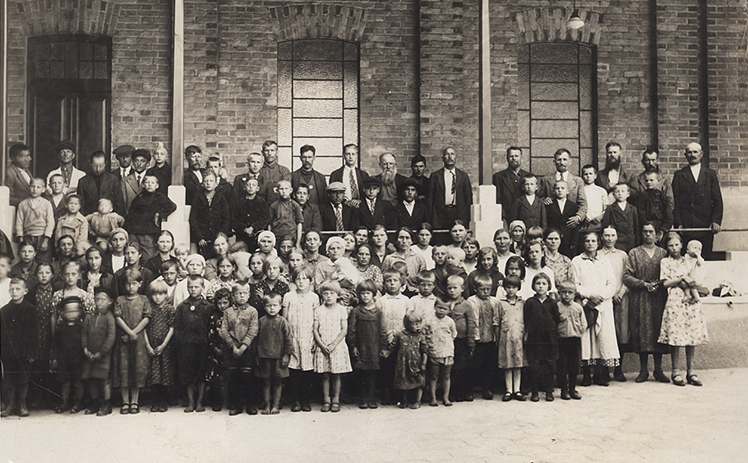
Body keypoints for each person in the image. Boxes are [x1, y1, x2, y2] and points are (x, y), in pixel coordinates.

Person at [659, 235, 710, 388]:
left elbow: (698, 277)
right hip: (676, 299)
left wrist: (692, 281)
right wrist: (682, 279)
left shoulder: (689, 259)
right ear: (667, 247)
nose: (674, 248)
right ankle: (675, 371)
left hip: (691, 300)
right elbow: (665, 283)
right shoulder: (665, 261)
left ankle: (691, 371)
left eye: (677, 244)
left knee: (691, 334)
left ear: (682, 245)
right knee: (676, 335)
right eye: (671, 245)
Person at [622, 222, 670, 383]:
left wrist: (658, 284)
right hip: (640, 297)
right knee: (642, 331)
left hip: (659, 297)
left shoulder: (663, 253)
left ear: (657, 234)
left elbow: (670, 274)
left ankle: (658, 370)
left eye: (651, 231)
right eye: (645, 231)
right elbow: (626, 276)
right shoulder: (634, 253)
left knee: (657, 330)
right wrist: (643, 284)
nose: (648, 234)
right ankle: (643, 370)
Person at [572, 232, 619, 387]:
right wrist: (589, 296)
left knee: (602, 339)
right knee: (587, 339)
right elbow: (575, 283)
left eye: (593, 241)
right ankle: (586, 375)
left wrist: (600, 297)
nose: (590, 243)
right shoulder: (577, 261)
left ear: (598, 243)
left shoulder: (605, 260)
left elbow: (612, 283)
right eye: (587, 241)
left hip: (603, 304)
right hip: (586, 303)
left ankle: (600, 374)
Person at [672, 142, 723, 259]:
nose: (692, 155)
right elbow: (675, 202)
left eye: (695, 152)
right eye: (689, 152)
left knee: (705, 258)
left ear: (701, 154)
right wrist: (678, 223)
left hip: (705, 225)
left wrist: (716, 221)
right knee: (687, 258)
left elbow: (717, 201)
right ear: (685, 155)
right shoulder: (679, 175)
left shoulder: (710, 174)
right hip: (686, 226)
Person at [113, 268, 151, 415]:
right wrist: (129, 333)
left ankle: (135, 401)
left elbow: (146, 318)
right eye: (128, 284)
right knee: (123, 369)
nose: (131, 287)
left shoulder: (144, 299)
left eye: (134, 283)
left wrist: (134, 333)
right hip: (123, 340)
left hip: (138, 340)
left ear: (140, 284)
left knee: (137, 369)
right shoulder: (120, 300)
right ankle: (125, 401)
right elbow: (117, 318)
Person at [282, 267, 319, 412]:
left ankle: (305, 399)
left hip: (308, 337)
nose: (301, 281)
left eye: (305, 279)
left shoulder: (314, 297)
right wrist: (287, 339)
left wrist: (315, 339)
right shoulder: (289, 296)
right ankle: (295, 400)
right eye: (298, 278)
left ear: (310, 281)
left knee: (307, 371)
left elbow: (316, 320)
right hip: (293, 337)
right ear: (294, 281)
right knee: (294, 370)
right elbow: (284, 319)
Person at [0, 278, 38, 417]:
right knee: (9, 379)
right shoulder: (3, 311)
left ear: (25, 291)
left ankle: (22, 405)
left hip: (24, 352)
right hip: (8, 352)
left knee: (23, 379)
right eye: (12, 289)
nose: (14, 292)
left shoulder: (31, 309)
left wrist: (32, 352)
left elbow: (35, 333)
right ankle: (10, 405)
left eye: (18, 289)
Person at [313, 280, 353, 413]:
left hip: (337, 346)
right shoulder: (318, 310)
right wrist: (321, 345)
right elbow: (315, 330)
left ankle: (336, 400)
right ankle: (326, 400)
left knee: (336, 375)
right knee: (325, 375)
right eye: (326, 293)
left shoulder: (341, 310)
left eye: (332, 293)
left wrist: (334, 344)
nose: (329, 296)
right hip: (323, 346)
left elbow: (344, 329)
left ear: (337, 295)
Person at [219, 282, 258, 415]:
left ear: (249, 295)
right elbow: (223, 330)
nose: (241, 296)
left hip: (247, 350)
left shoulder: (252, 311)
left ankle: (250, 404)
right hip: (232, 350)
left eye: (244, 293)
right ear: (233, 296)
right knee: (234, 377)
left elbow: (253, 330)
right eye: (238, 293)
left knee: (247, 377)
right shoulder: (228, 312)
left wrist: (243, 347)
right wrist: (233, 346)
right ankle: (236, 405)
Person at [175, 274, 212, 413]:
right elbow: (177, 327)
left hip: (203, 345)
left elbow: (210, 326)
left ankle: (200, 402)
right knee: (188, 373)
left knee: (201, 373)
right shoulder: (182, 306)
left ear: (203, 287)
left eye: (196, 287)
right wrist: (181, 342)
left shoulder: (208, 306)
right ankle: (190, 401)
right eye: (190, 287)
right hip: (187, 345)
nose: (193, 289)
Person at [347, 279, 385, 409]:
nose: (365, 296)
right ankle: (363, 399)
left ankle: (371, 398)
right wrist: (353, 346)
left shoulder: (378, 312)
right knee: (362, 374)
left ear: (373, 294)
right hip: (361, 346)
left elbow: (382, 330)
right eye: (362, 293)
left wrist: (383, 347)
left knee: (372, 374)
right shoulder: (356, 311)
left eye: (368, 293)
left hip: (374, 347)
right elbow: (351, 330)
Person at [523, 273, 560, 402]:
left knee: (549, 364)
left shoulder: (552, 303)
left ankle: (549, 391)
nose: (541, 286)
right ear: (533, 286)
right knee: (534, 365)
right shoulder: (530, 302)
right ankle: (534, 392)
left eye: (544, 283)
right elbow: (526, 320)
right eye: (538, 283)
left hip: (549, 339)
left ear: (549, 286)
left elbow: (556, 319)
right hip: (534, 339)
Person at [600, 227, 630, 382]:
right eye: (606, 235)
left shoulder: (622, 255)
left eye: (612, 235)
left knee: (621, 333)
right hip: (604, 299)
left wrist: (621, 293)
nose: (609, 238)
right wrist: (607, 295)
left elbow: (628, 276)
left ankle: (618, 369)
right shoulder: (597, 254)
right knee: (604, 332)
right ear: (602, 237)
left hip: (621, 298)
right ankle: (604, 369)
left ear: (617, 237)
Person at [255, 293, 293, 415]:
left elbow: (289, 340)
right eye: (269, 306)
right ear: (264, 307)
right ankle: (267, 405)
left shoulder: (283, 322)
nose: (272, 308)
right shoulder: (261, 321)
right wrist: (256, 355)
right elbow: (255, 340)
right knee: (266, 382)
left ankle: (276, 405)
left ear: (280, 306)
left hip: (279, 358)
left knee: (278, 382)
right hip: (264, 357)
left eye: (275, 305)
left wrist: (286, 355)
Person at [124, 174, 177, 261]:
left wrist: (159, 214)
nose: (149, 184)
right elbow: (131, 214)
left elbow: (172, 206)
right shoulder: (139, 197)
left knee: (148, 255)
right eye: (147, 182)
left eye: (152, 183)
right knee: (134, 253)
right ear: (143, 185)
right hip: (134, 230)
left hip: (148, 232)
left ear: (157, 185)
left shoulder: (159, 197)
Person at [81, 286, 117, 416]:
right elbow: (84, 333)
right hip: (89, 355)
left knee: (104, 380)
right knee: (92, 378)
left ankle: (106, 404)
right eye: (97, 299)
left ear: (110, 301)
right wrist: (85, 349)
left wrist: (101, 353)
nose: (99, 302)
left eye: (103, 299)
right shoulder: (89, 316)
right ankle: (95, 402)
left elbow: (111, 337)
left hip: (103, 356)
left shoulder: (109, 317)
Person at [144, 279, 176, 413]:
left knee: (165, 373)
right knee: (153, 374)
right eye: (154, 294)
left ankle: (163, 400)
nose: (157, 297)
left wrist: (163, 345)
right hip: (151, 345)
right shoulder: (148, 309)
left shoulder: (169, 309)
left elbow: (172, 328)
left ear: (165, 294)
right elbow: (144, 328)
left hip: (165, 347)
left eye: (161, 294)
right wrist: (147, 346)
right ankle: (155, 400)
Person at [467, 273, 500, 400]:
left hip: (490, 338)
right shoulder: (472, 301)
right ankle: (470, 388)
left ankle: (487, 388)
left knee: (490, 364)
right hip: (478, 339)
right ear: (475, 289)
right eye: (482, 289)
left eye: (488, 289)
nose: (485, 292)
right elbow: (472, 321)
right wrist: (473, 338)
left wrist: (496, 338)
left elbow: (496, 319)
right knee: (475, 364)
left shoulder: (494, 301)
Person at [443, 274, 476, 402]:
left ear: (462, 288)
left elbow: (471, 323)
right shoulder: (444, 303)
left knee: (463, 367)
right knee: (450, 367)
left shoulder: (466, 305)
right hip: (448, 341)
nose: (452, 290)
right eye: (449, 288)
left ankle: (465, 391)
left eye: (455, 288)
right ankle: (452, 392)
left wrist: (471, 340)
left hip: (462, 340)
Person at [52, 296, 86, 413]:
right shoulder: (60, 328)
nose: (72, 314)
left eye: (74, 311)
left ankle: (78, 401)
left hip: (78, 359)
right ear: (62, 313)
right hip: (64, 359)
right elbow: (56, 344)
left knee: (78, 381)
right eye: (68, 311)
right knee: (65, 381)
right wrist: (54, 358)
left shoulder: (81, 327)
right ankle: (65, 401)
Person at [428, 147, 473, 232]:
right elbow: (430, 199)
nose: (450, 156)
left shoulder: (463, 176)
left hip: (458, 213)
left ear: (456, 158)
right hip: (440, 214)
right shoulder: (435, 176)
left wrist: (467, 219)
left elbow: (468, 199)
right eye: (447, 154)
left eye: (452, 154)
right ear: (443, 158)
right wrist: (430, 219)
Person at [389, 310, 428, 409]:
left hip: (416, 364)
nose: (418, 326)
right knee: (404, 382)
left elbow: (425, 351)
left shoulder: (420, 336)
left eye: (419, 323)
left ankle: (417, 401)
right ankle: (404, 401)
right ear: (407, 325)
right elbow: (393, 347)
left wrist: (424, 363)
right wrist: (387, 352)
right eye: (415, 324)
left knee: (419, 382)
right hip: (403, 364)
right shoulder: (400, 335)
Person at [539, 148, 588, 228]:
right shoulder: (546, 180)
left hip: (571, 223)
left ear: (570, 162)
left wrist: (578, 217)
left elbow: (583, 203)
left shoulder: (578, 181)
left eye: (565, 159)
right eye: (559, 160)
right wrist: (544, 200)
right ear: (554, 162)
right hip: (552, 224)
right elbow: (539, 199)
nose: (562, 162)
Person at [555, 280, 587, 400]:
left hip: (574, 340)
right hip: (561, 340)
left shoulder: (578, 307)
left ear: (574, 294)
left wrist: (578, 333)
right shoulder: (557, 307)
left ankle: (572, 389)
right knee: (562, 365)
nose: (567, 295)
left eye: (570, 292)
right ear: (559, 293)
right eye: (564, 292)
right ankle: (564, 390)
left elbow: (584, 323)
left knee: (574, 365)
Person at [497, 276, 526, 402]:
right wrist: (498, 338)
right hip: (506, 337)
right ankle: (509, 390)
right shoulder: (500, 303)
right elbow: (496, 321)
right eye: (508, 287)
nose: (511, 290)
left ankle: (517, 390)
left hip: (519, 337)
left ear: (518, 288)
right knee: (508, 364)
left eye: (514, 287)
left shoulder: (522, 303)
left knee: (518, 364)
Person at [190, 171, 231, 259]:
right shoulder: (198, 199)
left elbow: (226, 219)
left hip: (218, 237)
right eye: (206, 181)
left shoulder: (221, 199)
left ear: (216, 184)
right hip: (203, 239)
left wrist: (221, 235)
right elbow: (193, 220)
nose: (208, 183)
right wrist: (199, 237)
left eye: (211, 181)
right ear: (202, 184)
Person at [424, 297, 457, 406]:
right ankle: (433, 398)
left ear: (449, 310)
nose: (442, 310)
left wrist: (447, 344)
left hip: (447, 352)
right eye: (439, 307)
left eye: (445, 309)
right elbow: (424, 334)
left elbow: (453, 334)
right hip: (434, 351)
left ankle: (446, 398)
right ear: (434, 307)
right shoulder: (429, 320)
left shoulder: (450, 321)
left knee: (446, 376)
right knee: (434, 376)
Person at [15, 178, 54, 261]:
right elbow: (19, 222)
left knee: (43, 261)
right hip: (28, 236)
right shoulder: (23, 204)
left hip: (42, 237)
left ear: (43, 189)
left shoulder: (46, 204)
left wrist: (46, 240)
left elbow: (50, 222)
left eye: (38, 187)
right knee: (27, 259)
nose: (35, 189)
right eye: (32, 186)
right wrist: (21, 239)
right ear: (29, 187)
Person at [382, 228, 427, 297]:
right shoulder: (389, 259)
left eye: (407, 238)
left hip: (414, 295)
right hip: (394, 295)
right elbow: (384, 279)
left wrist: (417, 289)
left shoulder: (419, 258)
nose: (404, 241)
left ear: (411, 241)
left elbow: (424, 280)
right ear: (396, 240)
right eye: (401, 238)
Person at [78, 150, 122, 216]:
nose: (98, 169)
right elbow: (81, 206)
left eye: (101, 166)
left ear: (105, 164)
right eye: (95, 165)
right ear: (90, 163)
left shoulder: (113, 180)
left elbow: (119, 203)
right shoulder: (83, 181)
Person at [493, 147, 529, 226]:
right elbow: (497, 200)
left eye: (516, 156)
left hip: (525, 216)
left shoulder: (528, 176)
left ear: (521, 158)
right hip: (506, 216)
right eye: (511, 156)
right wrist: (502, 217)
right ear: (507, 158)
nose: (514, 158)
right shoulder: (498, 177)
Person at [232, 176, 270, 251]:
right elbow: (234, 219)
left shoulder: (262, 203)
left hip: (257, 235)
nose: (251, 187)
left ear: (258, 188)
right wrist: (244, 229)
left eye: (253, 185)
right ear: (244, 187)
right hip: (242, 236)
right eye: (248, 185)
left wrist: (253, 228)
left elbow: (264, 219)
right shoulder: (238, 203)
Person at [601, 183, 639, 253]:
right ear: (613, 194)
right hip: (617, 242)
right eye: (617, 191)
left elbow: (636, 228)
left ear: (628, 194)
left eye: (623, 191)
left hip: (630, 242)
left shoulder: (633, 209)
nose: (620, 193)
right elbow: (605, 227)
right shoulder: (610, 209)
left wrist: (637, 242)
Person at [637, 169, 673, 243]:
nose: (648, 182)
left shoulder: (662, 196)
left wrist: (662, 230)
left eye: (651, 180)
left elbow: (669, 215)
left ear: (658, 181)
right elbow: (641, 214)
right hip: (648, 227)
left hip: (661, 227)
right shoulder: (643, 196)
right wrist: (649, 228)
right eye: (646, 180)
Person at [329, 143, 369, 209]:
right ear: (343, 156)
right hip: (343, 208)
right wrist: (345, 202)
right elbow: (332, 195)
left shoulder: (364, 175)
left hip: (361, 208)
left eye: (353, 154)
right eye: (348, 154)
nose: (350, 157)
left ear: (357, 156)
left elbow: (367, 193)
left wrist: (359, 202)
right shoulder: (335, 174)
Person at [545, 180, 579, 257]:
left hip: (568, 239)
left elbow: (576, 225)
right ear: (553, 191)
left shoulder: (573, 205)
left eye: (562, 188)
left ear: (567, 191)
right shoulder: (549, 204)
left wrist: (574, 242)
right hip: (553, 238)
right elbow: (546, 221)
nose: (560, 190)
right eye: (557, 188)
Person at [269, 179, 304, 248]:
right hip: (277, 236)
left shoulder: (295, 205)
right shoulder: (274, 206)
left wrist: (298, 242)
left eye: (286, 189)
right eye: (281, 189)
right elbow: (270, 223)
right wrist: (271, 239)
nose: (284, 191)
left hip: (291, 237)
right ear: (277, 190)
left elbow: (299, 223)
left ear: (291, 190)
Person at [580, 164, 609, 241]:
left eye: (590, 174)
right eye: (585, 174)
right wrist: (583, 217)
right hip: (584, 224)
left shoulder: (601, 191)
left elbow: (606, 208)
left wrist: (601, 216)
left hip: (598, 223)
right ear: (582, 176)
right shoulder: (580, 190)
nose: (588, 176)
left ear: (595, 176)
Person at [119, 149, 151, 215]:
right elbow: (123, 203)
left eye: (142, 161)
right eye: (136, 161)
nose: (139, 164)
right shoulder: (125, 180)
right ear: (133, 163)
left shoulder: (152, 180)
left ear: (148, 163)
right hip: (131, 217)